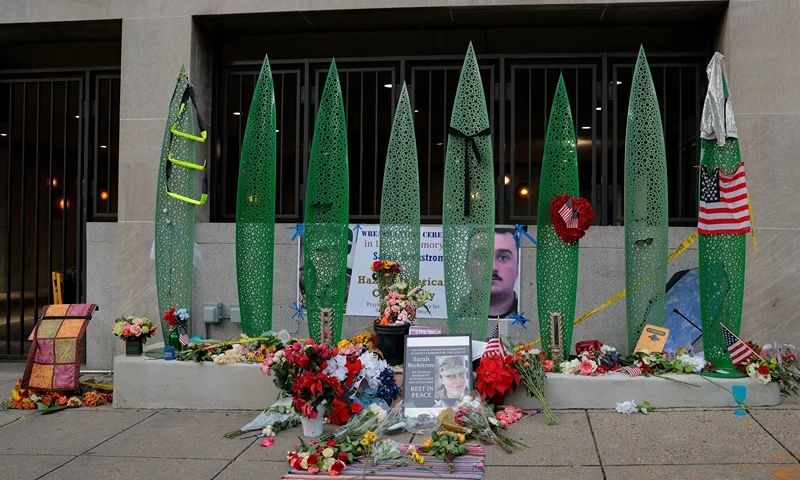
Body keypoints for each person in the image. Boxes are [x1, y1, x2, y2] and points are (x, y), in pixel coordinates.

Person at [489, 228, 519, 318]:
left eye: (503, 257)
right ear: (467, 267)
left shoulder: (532, 315)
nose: (493, 267)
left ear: (518, 267)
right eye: (483, 257)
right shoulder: (454, 314)